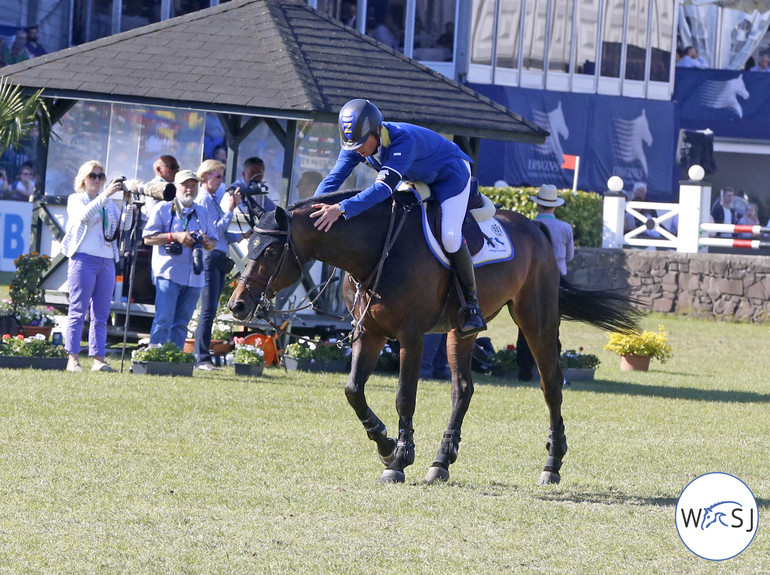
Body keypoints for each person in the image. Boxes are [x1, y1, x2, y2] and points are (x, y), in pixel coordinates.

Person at [310, 98, 486, 337]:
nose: (356, 150)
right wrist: (309, 208)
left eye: (361, 144)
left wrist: (340, 208)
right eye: (352, 146)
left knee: (451, 236)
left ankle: (471, 304)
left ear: (377, 131)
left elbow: (383, 189)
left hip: (450, 175)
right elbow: (332, 180)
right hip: (416, 176)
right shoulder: (356, 145)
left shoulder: (403, 141)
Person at [61, 161, 132, 372]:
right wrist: (106, 195)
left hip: (106, 260)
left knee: (101, 313)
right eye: (93, 176)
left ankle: (98, 359)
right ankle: (72, 358)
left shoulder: (108, 203)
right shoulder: (76, 199)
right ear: (83, 179)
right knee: (77, 310)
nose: (98, 180)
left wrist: (127, 205)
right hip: (83, 259)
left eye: (101, 176)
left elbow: (124, 227)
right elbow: (83, 216)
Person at [142, 169, 217, 350]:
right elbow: (148, 238)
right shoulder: (163, 208)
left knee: (182, 322)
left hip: (195, 275)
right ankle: (156, 357)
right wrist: (175, 236)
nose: (189, 189)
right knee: (164, 318)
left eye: (193, 185)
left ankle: (173, 359)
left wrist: (206, 242)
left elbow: (214, 241)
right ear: (176, 187)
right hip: (169, 272)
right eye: (185, 186)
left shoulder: (203, 211)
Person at [193, 160, 253, 371]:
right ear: (205, 177)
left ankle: (203, 357)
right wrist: (228, 210)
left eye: (222, 176)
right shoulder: (203, 200)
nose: (221, 181)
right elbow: (213, 231)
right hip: (210, 257)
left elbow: (223, 234)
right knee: (208, 311)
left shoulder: (211, 199)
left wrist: (243, 235)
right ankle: (201, 358)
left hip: (218, 256)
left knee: (211, 311)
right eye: (218, 176)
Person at [516, 184, 574, 382]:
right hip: (556, 282)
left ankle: (524, 370)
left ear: (539, 205)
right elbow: (570, 256)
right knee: (553, 327)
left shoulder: (528, 226)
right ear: (554, 206)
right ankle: (552, 370)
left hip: (528, 281)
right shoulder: (565, 228)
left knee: (523, 326)